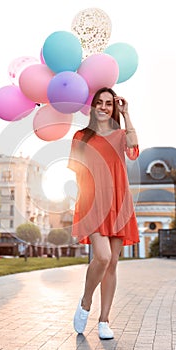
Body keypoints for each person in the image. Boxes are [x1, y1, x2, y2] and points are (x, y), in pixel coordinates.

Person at [68, 87, 139, 340]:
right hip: (93, 203)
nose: (103, 107)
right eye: (99, 102)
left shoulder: (121, 135)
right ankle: (86, 302)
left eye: (109, 104)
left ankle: (104, 320)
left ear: (114, 108)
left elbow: (133, 147)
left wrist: (127, 114)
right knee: (102, 256)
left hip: (119, 203)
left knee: (112, 264)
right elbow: (77, 172)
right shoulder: (80, 137)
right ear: (92, 106)